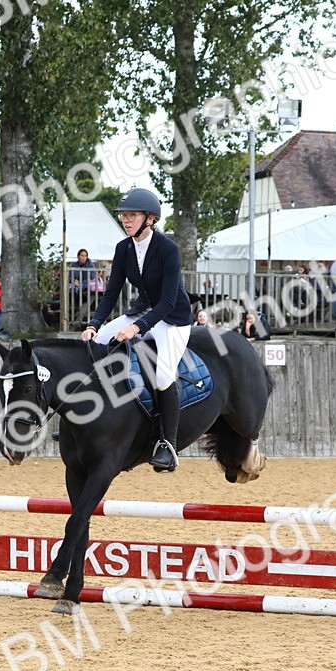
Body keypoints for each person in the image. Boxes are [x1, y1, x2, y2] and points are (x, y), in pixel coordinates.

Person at [83, 188, 192, 473]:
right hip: (142, 312)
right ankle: (91, 419)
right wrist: (95, 324)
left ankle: (168, 446)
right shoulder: (124, 248)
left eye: (132, 215)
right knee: (97, 345)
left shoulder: (169, 249)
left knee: (164, 375)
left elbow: (168, 302)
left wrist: (136, 328)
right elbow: (111, 293)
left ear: (151, 219)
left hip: (173, 319)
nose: (126, 220)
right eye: (123, 215)